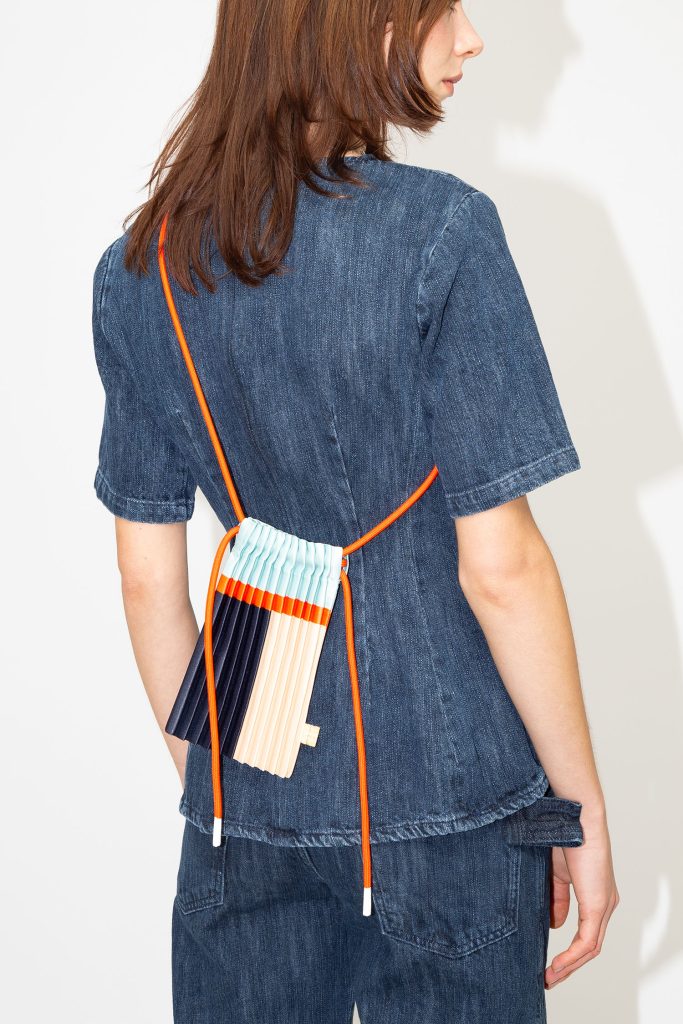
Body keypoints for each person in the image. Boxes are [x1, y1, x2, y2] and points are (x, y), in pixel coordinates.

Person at [91, 1, 618, 1020]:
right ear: (353, 19)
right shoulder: (442, 231)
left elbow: (145, 577)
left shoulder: (140, 267)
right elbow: (500, 566)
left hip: (242, 767)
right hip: (449, 789)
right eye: (439, 7)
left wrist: (223, 786)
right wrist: (580, 811)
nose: (469, 37)